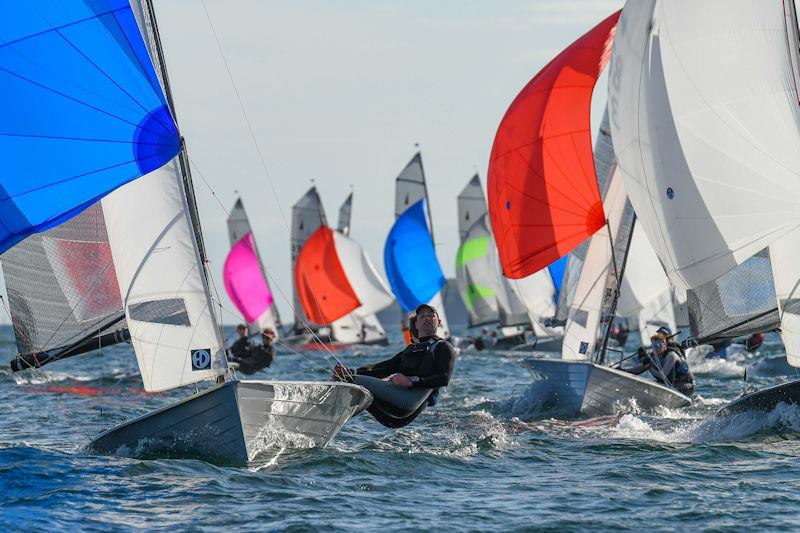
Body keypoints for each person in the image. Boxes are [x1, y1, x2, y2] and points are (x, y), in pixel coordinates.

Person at [332, 304, 457, 428]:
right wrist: (351, 371)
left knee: (348, 380)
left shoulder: (443, 347)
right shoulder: (411, 349)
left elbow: (443, 378)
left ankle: (328, 414)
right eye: (422, 316)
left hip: (406, 405)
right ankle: (328, 418)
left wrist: (411, 381)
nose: (427, 318)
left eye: (431, 315)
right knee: (345, 379)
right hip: (391, 415)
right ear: (417, 324)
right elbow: (382, 368)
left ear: (439, 322)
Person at [625, 332, 696, 397]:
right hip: (672, 385)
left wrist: (648, 367)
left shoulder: (671, 356)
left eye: (657, 345)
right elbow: (637, 370)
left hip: (686, 385)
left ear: (664, 345)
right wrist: (623, 370)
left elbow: (663, 376)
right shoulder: (654, 357)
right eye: (653, 346)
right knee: (644, 387)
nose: (655, 348)